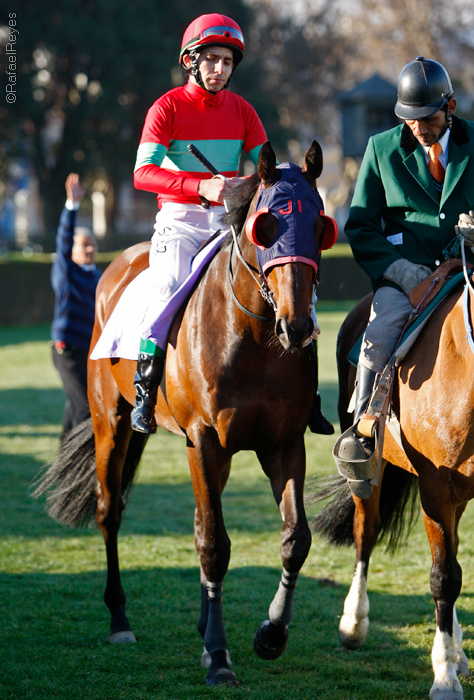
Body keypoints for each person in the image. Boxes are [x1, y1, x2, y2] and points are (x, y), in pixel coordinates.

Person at [130, 12, 333, 435]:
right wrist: (200, 186)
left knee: (295, 289)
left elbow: (266, 172)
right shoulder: (166, 107)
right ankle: (145, 391)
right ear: (190, 60)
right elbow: (143, 173)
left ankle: (309, 395)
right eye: (211, 59)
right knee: (166, 285)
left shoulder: (243, 110)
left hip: (231, 221)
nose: (220, 69)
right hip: (181, 222)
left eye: (226, 61)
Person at [338, 56, 474, 473]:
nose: (418, 127)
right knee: (379, 331)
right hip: (406, 278)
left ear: (450, 108)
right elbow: (361, 226)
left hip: (468, 268)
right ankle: (363, 432)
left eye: (428, 117)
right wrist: (397, 269)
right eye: (409, 119)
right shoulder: (381, 149)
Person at [51, 173, 101, 437]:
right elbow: (64, 239)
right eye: (84, 245)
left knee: (76, 405)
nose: (89, 249)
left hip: (90, 351)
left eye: (92, 244)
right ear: (72, 251)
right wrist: (72, 205)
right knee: (86, 409)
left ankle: (65, 458)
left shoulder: (101, 278)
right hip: (67, 350)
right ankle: (83, 460)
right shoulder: (67, 272)